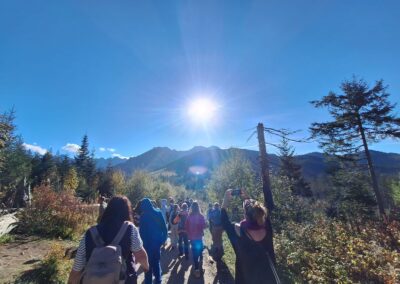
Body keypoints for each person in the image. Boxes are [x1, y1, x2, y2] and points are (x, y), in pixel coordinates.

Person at [68, 196, 149, 284]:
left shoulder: (90, 233)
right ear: (126, 212)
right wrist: (146, 267)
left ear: (108, 210)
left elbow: (77, 268)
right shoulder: (130, 229)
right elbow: (140, 256)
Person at [221, 189, 279, 284]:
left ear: (245, 214)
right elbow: (261, 214)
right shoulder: (267, 228)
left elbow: (224, 221)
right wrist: (248, 199)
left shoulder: (238, 231)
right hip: (268, 279)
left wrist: (225, 201)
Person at [139, 198, 168, 284]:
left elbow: (141, 233)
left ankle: (148, 282)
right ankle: (158, 281)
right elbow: (164, 229)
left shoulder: (143, 216)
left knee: (147, 266)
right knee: (156, 263)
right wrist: (162, 240)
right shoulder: (158, 213)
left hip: (146, 246)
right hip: (156, 244)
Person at [185, 201, 206, 278]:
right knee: (200, 250)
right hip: (199, 237)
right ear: (198, 207)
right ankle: (200, 263)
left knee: (194, 253)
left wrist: (189, 234)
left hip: (192, 238)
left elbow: (186, 227)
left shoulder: (189, 216)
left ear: (191, 208)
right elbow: (204, 226)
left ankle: (197, 269)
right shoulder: (201, 216)